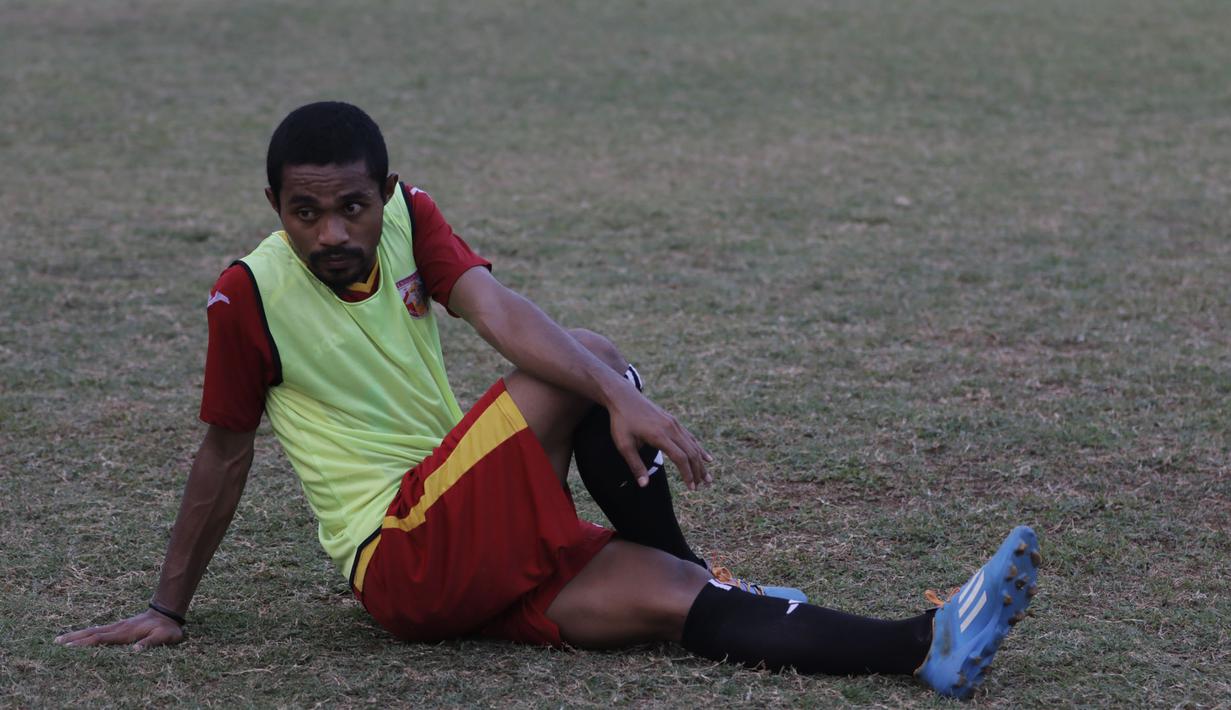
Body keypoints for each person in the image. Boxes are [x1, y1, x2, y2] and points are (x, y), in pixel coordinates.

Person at [54, 102, 1040, 699]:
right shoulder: (246, 292)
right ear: (277, 206)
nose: (330, 231)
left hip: (462, 529)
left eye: (350, 204)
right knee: (590, 358)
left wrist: (613, 394)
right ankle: (684, 550)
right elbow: (222, 454)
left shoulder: (411, 219)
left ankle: (923, 646)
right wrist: (165, 606)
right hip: (398, 551)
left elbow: (494, 305)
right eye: (304, 211)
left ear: (383, 192)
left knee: (675, 603)